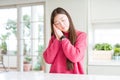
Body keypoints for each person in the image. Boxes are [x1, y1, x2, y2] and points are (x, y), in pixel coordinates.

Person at [43, 7, 87, 74]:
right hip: (55, 77)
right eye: (57, 23)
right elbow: (48, 59)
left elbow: (75, 57)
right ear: (54, 26)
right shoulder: (54, 38)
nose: (62, 25)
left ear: (68, 18)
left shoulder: (81, 35)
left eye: (63, 20)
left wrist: (63, 38)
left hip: (75, 77)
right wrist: (57, 40)